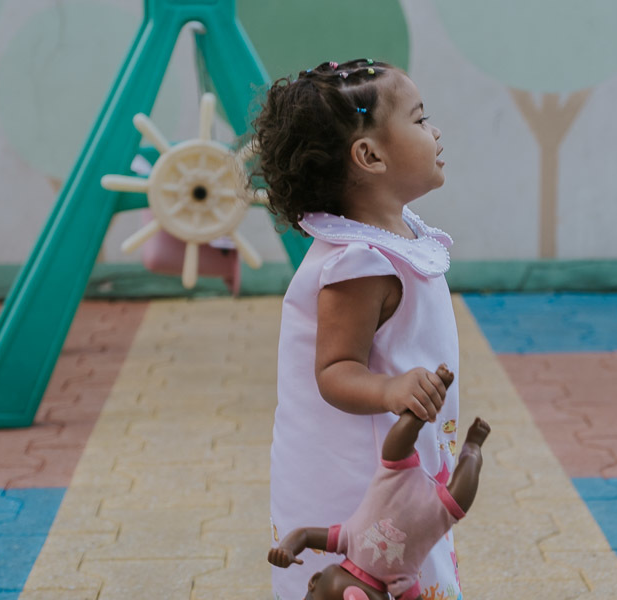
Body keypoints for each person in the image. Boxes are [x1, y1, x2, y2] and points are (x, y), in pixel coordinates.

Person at [253, 58, 459, 598]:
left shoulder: (395, 236)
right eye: (419, 120)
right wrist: (391, 388)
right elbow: (334, 368)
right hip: (357, 480)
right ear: (369, 156)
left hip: (394, 466)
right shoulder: (359, 262)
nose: (434, 131)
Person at [268, 366, 491, 600]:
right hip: (437, 512)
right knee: (460, 497)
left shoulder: (346, 538)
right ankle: (473, 449)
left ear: (315, 581)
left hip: (396, 477)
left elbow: (304, 534)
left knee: (396, 442)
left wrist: (287, 548)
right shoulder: (400, 581)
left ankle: (432, 394)